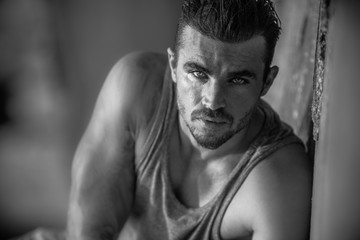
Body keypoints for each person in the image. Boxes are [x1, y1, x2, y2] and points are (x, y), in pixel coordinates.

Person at [67, 0, 312, 239]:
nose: (213, 101)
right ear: (173, 66)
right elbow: (88, 231)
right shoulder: (138, 89)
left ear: (267, 82)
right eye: (198, 73)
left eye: (238, 80)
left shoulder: (277, 179)